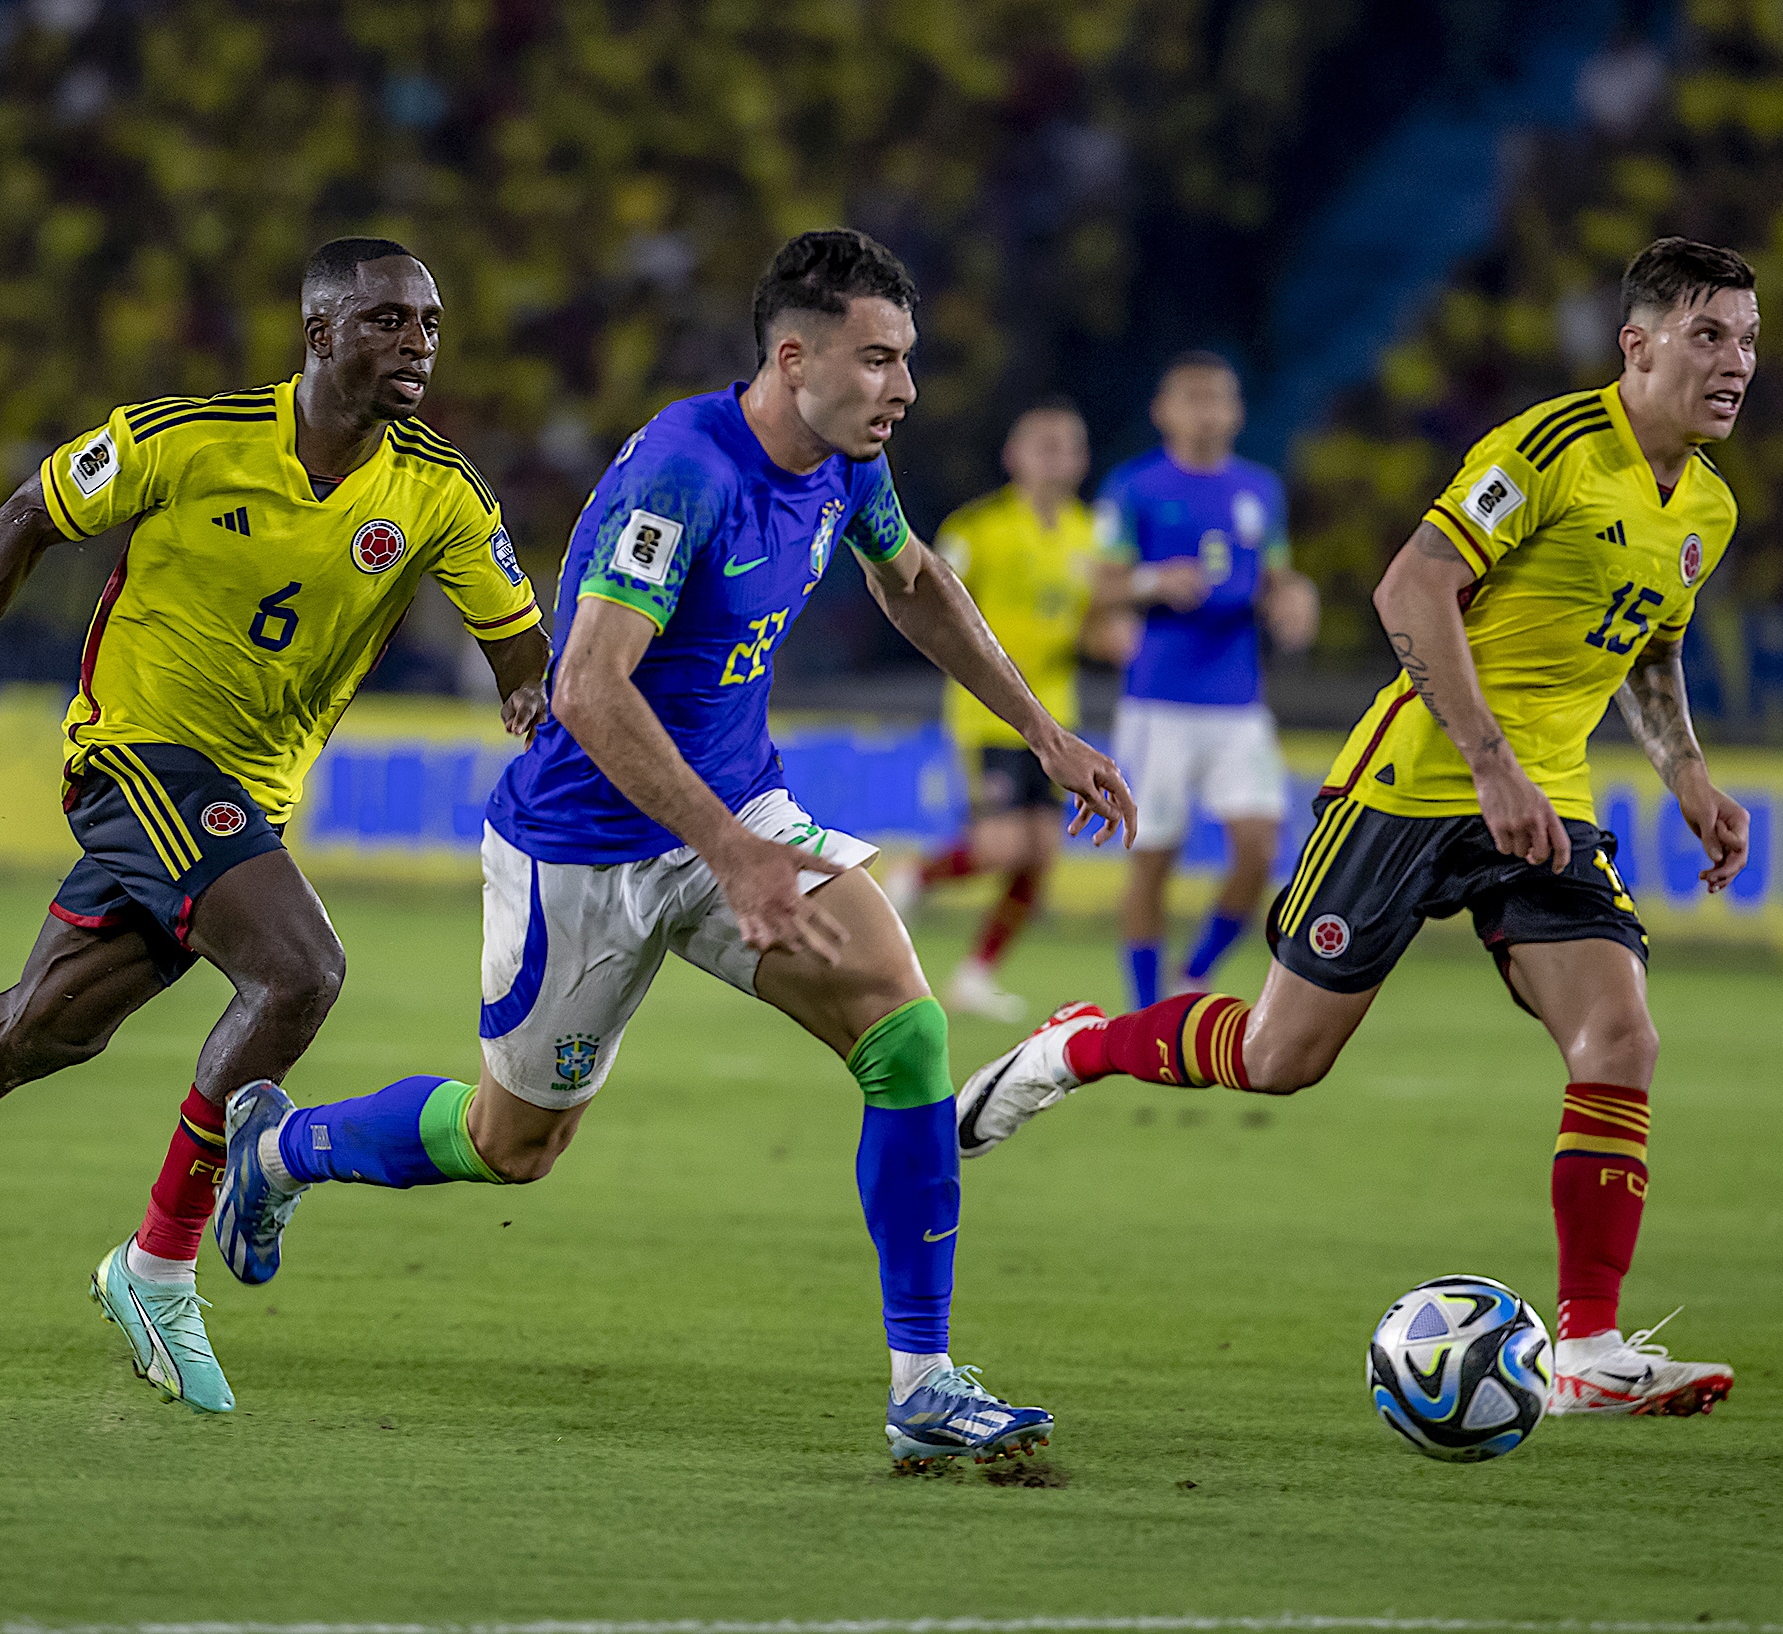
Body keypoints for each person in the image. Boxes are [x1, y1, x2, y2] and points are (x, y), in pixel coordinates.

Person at [212, 230, 1135, 1467]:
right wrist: (731, 854)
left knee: (905, 1029)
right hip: (582, 844)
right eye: (878, 359)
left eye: (907, 359)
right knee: (513, 1144)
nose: (903, 388)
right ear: (793, 355)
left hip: (736, 810)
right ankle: (284, 1145)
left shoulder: (848, 458)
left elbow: (911, 582)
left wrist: (1040, 725)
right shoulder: (686, 472)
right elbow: (589, 687)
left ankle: (923, 1382)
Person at [956, 237, 1758, 1419]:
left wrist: (1686, 771)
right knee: (1281, 1058)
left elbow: (1647, 639)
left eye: (1745, 339)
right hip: (1414, 780)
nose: (1734, 361)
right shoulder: (1547, 450)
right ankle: (1074, 1046)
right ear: (1635, 346)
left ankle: (1586, 1346)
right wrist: (1487, 763)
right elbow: (1408, 588)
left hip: (1545, 803)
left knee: (1618, 1038)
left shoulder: (1707, 505)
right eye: (1707, 336)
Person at [0, 239, 550, 1415]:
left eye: (428, 323)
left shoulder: (440, 491)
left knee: (47, 1029)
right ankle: (160, 1261)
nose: (416, 345)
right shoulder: (190, 434)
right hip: (132, 754)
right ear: (319, 334)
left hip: (246, 793)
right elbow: (27, 513)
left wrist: (538, 708)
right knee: (300, 970)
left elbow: (517, 649)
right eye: (385, 321)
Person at [882, 398, 1123, 1022]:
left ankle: (975, 975)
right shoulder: (976, 530)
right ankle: (916, 879)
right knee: (1004, 846)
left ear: (1083, 460)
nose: (1056, 457)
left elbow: (1097, 629)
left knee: (1042, 854)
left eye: (1067, 446)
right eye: (1042, 444)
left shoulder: (1094, 536)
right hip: (987, 715)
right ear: (1012, 456)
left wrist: (1118, 639)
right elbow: (930, 608)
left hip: (1057, 720)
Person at [1095, 353, 1318, 1008]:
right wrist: (1151, 582)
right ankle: (1145, 1008)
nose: (1205, 412)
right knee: (1152, 861)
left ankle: (1194, 975)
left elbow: (1278, 577)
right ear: (1163, 411)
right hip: (1157, 702)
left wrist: (1294, 600)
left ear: (1236, 412)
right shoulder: (1133, 486)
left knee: (1258, 849)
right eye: (1191, 398)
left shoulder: (1259, 490)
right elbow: (1102, 582)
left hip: (1237, 702)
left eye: (1217, 399)